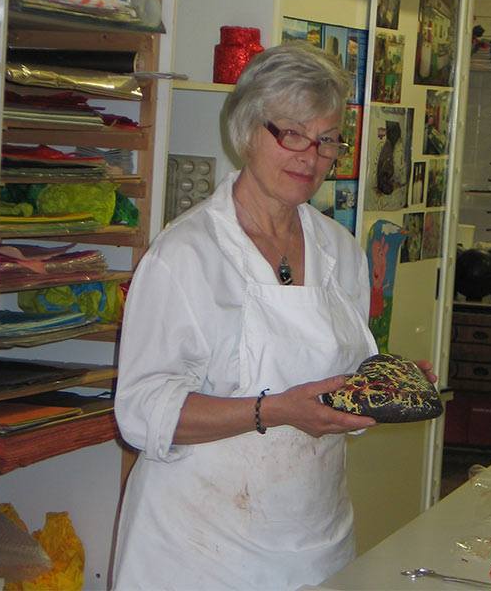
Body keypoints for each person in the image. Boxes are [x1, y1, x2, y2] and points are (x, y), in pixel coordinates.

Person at [112, 42, 433, 590]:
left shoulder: (340, 252)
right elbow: (141, 414)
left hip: (315, 541)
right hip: (198, 550)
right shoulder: (185, 256)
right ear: (246, 131)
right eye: (291, 133)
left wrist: (380, 389)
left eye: (327, 139)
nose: (310, 156)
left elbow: (335, 385)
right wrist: (275, 411)